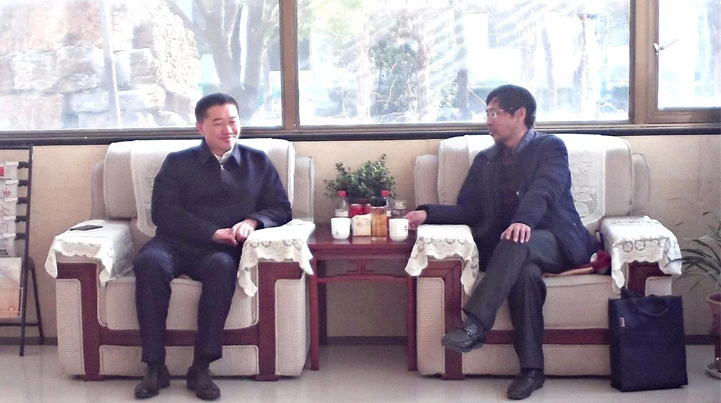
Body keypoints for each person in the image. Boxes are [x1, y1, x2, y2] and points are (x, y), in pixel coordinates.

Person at [405, 84, 600, 400]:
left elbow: (545, 189)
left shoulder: (550, 148)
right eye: (487, 113)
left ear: (520, 114)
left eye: (494, 112)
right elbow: (471, 210)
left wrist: (523, 221)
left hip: (556, 241)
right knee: (524, 275)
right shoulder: (486, 160)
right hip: (512, 251)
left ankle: (476, 324)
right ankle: (532, 371)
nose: (488, 120)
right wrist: (428, 213)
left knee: (516, 241)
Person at [132, 93, 292, 400]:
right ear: (200, 127)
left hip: (220, 251)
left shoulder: (257, 162)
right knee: (149, 262)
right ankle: (154, 366)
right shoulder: (177, 162)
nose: (228, 129)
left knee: (221, 267)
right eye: (218, 122)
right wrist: (211, 232)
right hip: (173, 243)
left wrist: (252, 221)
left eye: (233, 121)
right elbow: (163, 212)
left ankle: (201, 367)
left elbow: (281, 207)